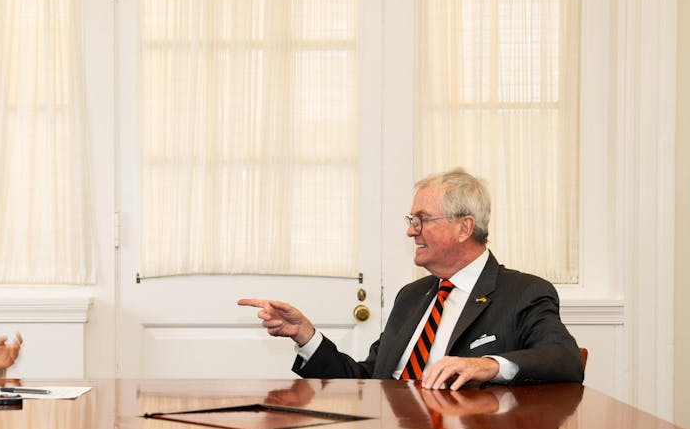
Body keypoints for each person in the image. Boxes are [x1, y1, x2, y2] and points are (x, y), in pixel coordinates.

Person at [239, 167, 584, 390]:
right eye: (410, 220)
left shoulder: (523, 293)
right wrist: (305, 336)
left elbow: (564, 358)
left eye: (421, 220)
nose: (409, 231)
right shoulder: (412, 296)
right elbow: (367, 382)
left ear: (464, 227)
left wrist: (488, 365)